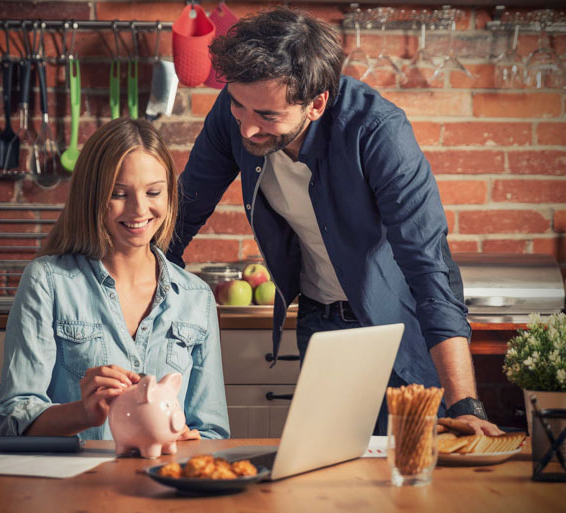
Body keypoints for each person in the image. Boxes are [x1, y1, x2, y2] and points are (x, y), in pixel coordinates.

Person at [166, 8, 502, 436]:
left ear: (317, 104)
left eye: (268, 116)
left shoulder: (379, 132)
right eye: (237, 106)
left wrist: (466, 403)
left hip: (399, 328)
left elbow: (428, 267)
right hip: (319, 321)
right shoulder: (236, 113)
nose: (247, 129)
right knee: (327, 472)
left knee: (412, 471)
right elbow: (182, 216)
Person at [0, 118, 230, 441]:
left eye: (154, 192)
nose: (139, 209)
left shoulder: (196, 298)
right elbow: (12, 418)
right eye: (119, 193)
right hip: (74, 488)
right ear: (93, 196)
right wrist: (83, 413)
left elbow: (212, 431)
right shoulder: (48, 283)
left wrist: (190, 439)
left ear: (170, 196)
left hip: (163, 487)